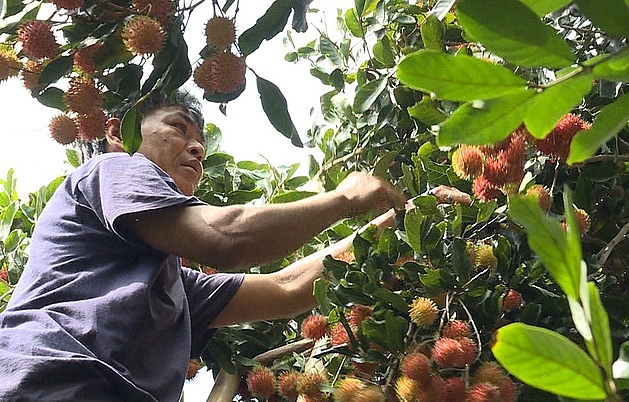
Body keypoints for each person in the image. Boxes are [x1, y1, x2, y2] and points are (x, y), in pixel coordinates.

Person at [0, 90, 406, 401]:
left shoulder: (169, 285)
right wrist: (344, 198)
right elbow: (224, 236)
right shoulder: (114, 167)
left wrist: (399, 221)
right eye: (179, 129)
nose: (196, 147)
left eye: (200, 142)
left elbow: (290, 287)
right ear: (116, 133)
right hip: (49, 382)